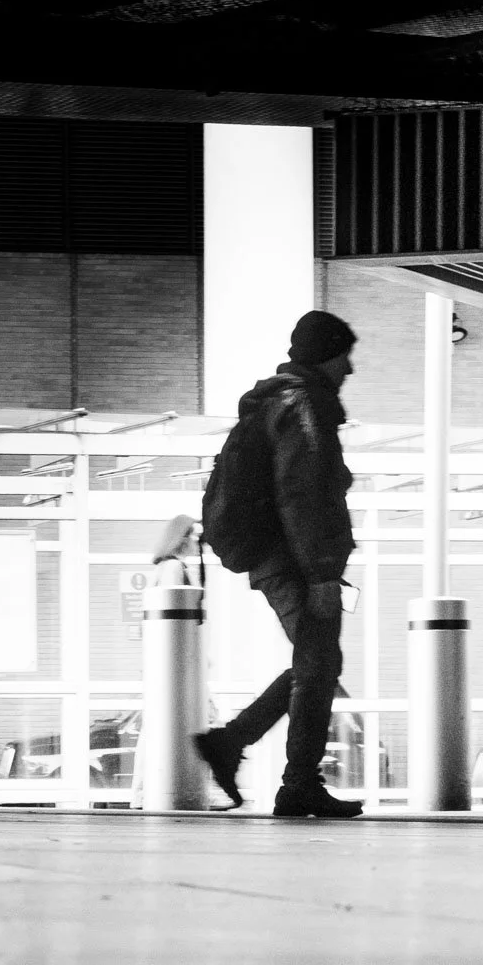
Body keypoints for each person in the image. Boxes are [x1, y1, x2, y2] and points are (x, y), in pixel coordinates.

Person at [196, 309, 363, 819]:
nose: (350, 370)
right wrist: (322, 575)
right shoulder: (302, 404)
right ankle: (297, 784)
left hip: (276, 552)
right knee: (318, 665)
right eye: (344, 357)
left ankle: (233, 744)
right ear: (326, 355)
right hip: (293, 556)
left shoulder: (277, 401)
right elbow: (304, 493)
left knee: (317, 663)